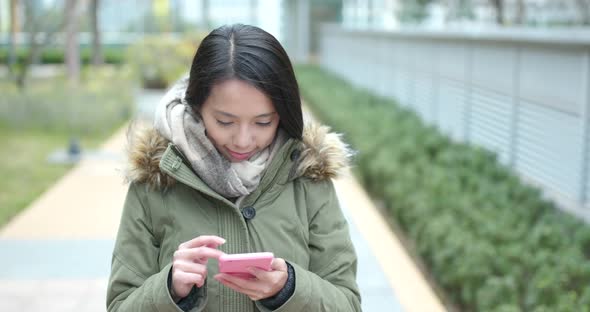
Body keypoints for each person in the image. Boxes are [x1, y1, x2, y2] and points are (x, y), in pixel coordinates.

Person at [107, 24, 361, 312]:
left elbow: (348, 304)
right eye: (225, 122)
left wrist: (289, 289)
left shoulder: (308, 178)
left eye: (263, 122)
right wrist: (170, 290)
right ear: (197, 106)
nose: (242, 140)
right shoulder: (156, 180)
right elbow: (120, 305)